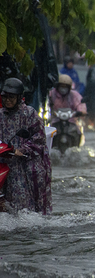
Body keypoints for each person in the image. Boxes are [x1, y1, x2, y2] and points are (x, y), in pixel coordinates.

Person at [0, 78, 51, 214]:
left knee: (26, 210)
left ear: (19, 97)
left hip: (26, 166)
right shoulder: (0, 115)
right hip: (5, 165)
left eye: (11, 97)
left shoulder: (29, 114)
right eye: (5, 97)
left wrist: (21, 150)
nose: (8, 100)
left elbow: (39, 138)